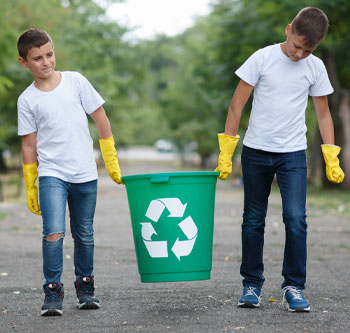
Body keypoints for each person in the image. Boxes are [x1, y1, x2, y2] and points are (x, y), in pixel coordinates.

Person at [215, 7, 345, 312]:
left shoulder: (315, 67)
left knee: (296, 218)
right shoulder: (262, 58)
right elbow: (237, 105)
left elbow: (323, 114)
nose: (300, 54)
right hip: (256, 151)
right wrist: (227, 149)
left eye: (308, 50)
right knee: (253, 219)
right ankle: (251, 284)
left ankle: (294, 286)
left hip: (293, 154)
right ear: (288, 30)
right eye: (297, 46)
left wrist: (331, 153)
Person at [17, 28, 124, 316]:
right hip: (52, 173)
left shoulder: (75, 81)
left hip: (85, 173)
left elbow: (100, 117)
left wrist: (110, 159)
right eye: (37, 58)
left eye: (49, 54)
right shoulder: (27, 100)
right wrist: (31, 183)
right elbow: (29, 143)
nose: (46, 62)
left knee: (84, 234)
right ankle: (52, 291)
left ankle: (85, 286)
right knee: (53, 232)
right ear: (24, 62)